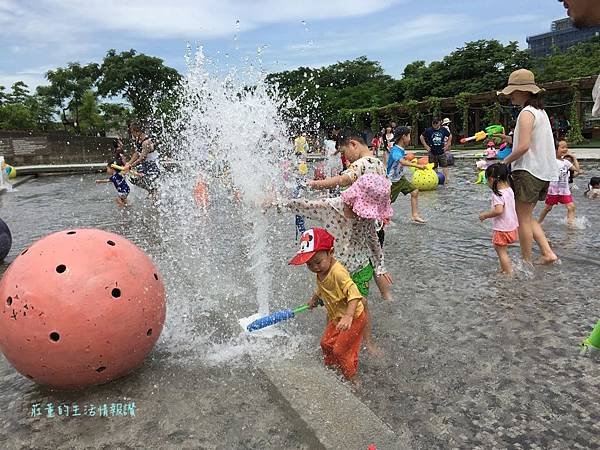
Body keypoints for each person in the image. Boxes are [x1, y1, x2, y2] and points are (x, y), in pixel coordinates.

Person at [267, 173, 394, 354]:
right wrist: (274, 203)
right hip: (333, 269)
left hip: (359, 267)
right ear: (352, 198)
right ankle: (332, 339)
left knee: (361, 304)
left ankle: (367, 341)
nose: (363, 215)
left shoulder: (368, 217)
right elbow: (302, 205)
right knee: (334, 307)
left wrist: (380, 265)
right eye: (362, 209)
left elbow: (373, 239)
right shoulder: (330, 208)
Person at [307, 129, 391, 300]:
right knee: (375, 260)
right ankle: (387, 296)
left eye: (345, 153)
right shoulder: (379, 164)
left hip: (357, 225)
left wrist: (315, 184)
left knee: (343, 261)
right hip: (375, 224)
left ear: (353, 144)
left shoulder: (361, 164)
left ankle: (347, 298)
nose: (345, 159)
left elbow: (342, 180)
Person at [497, 69, 558, 264]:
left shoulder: (526, 113)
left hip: (528, 171)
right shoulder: (540, 112)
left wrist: (504, 163)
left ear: (524, 91)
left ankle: (526, 262)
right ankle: (547, 253)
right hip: (543, 172)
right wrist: (507, 139)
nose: (511, 95)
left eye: (513, 91)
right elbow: (526, 141)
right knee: (527, 215)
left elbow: (523, 147)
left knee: (521, 218)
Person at [288, 227, 365, 381]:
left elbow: (355, 293)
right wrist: (314, 298)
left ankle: (352, 379)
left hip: (353, 318)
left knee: (340, 351)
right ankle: (332, 369)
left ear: (331, 252)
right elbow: (322, 287)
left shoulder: (337, 272)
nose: (314, 267)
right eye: (309, 264)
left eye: (317, 262)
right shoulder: (321, 270)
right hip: (337, 317)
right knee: (325, 344)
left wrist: (349, 316)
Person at [479, 163, 518, 276]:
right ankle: (504, 268)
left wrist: (485, 215)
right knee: (502, 250)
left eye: (487, 180)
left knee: (501, 252)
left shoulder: (497, 194)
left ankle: (508, 273)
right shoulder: (510, 190)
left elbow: (498, 210)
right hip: (512, 227)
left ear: (491, 179)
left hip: (502, 229)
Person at [387, 126, 427, 223]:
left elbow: (402, 160)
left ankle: (415, 215)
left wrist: (407, 158)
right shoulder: (395, 150)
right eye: (409, 136)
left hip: (400, 178)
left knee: (414, 191)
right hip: (393, 181)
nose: (410, 138)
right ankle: (379, 217)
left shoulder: (400, 149)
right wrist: (418, 166)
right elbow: (401, 162)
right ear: (403, 137)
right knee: (387, 201)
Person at [538, 140, 581, 226]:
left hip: (564, 190)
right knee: (548, 208)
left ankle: (570, 225)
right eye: (562, 147)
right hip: (553, 190)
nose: (565, 149)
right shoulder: (551, 161)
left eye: (566, 147)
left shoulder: (566, 162)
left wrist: (574, 158)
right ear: (555, 149)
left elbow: (577, 170)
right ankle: (538, 223)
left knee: (571, 207)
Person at [123, 122, 161, 199]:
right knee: (133, 179)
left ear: (137, 131)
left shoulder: (146, 142)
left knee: (150, 183)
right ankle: (151, 191)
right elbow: (137, 153)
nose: (132, 134)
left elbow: (142, 158)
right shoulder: (138, 140)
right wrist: (128, 163)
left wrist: (131, 166)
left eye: (132, 132)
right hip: (144, 166)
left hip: (152, 166)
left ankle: (154, 196)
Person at [420, 118, 451, 183]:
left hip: (441, 151)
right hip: (432, 152)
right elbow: (421, 137)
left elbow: (450, 136)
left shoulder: (443, 129)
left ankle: (447, 180)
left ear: (440, 122)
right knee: (433, 166)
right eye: (433, 123)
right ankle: (434, 179)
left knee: (444, 166)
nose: (434, 124)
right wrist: (426, 146)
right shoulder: (429, 130)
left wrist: (447, 145)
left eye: (436, 123)